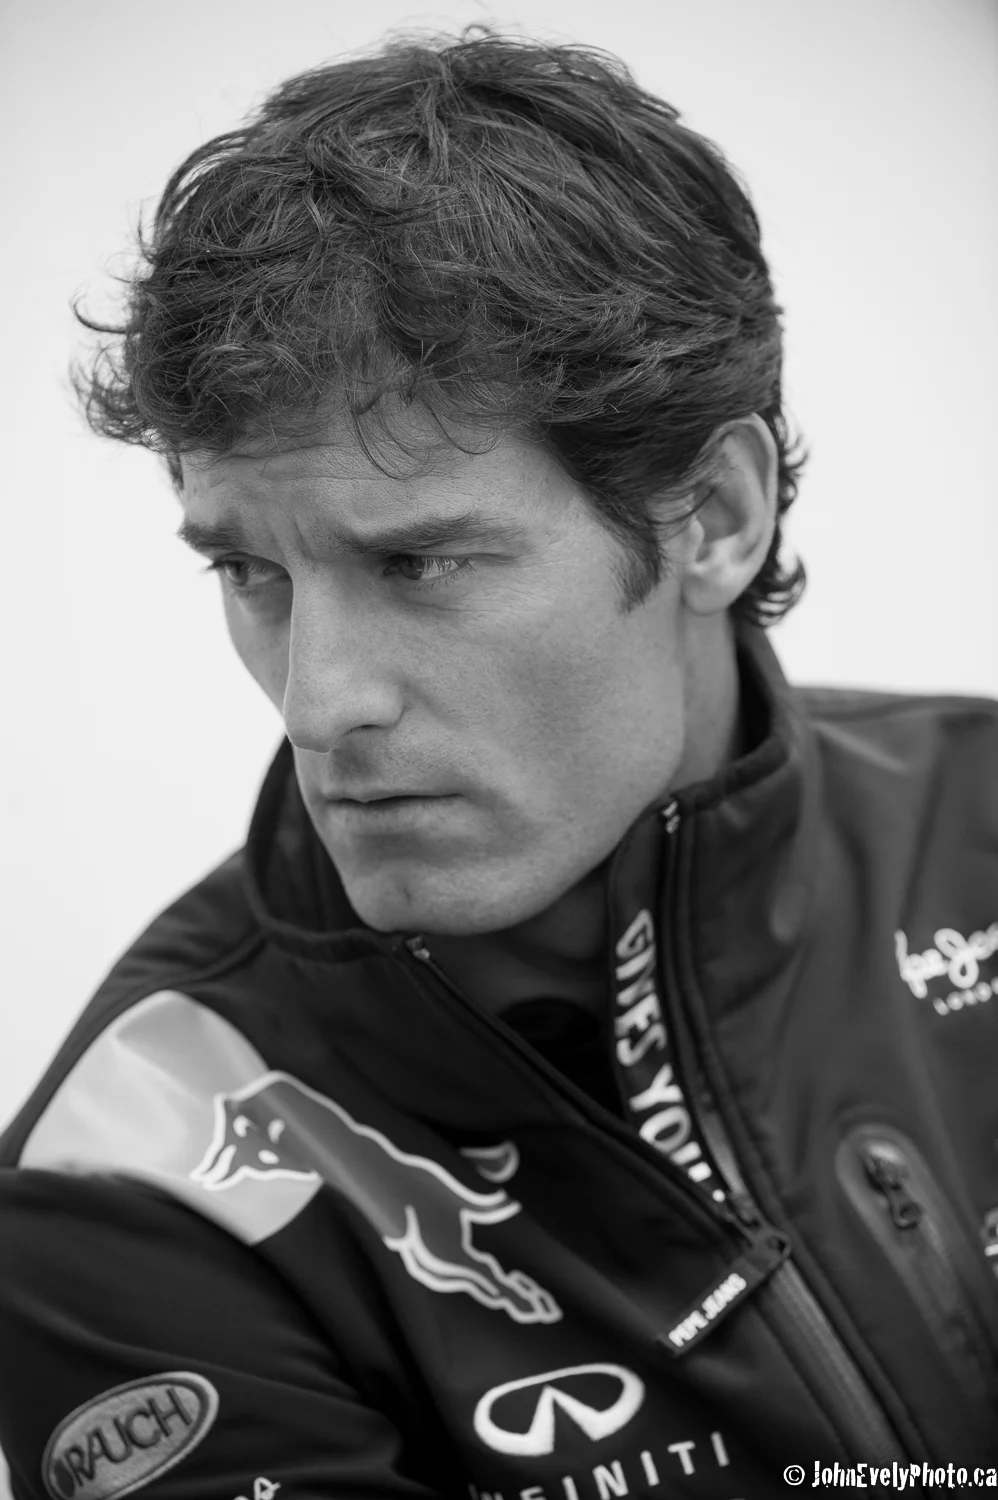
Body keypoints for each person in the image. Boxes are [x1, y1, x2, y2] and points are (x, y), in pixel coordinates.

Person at [1, 26, 996, 1499]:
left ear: (715, 518)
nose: (317, 702)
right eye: (249, 572)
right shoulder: (133, 1169)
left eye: (419, 564)